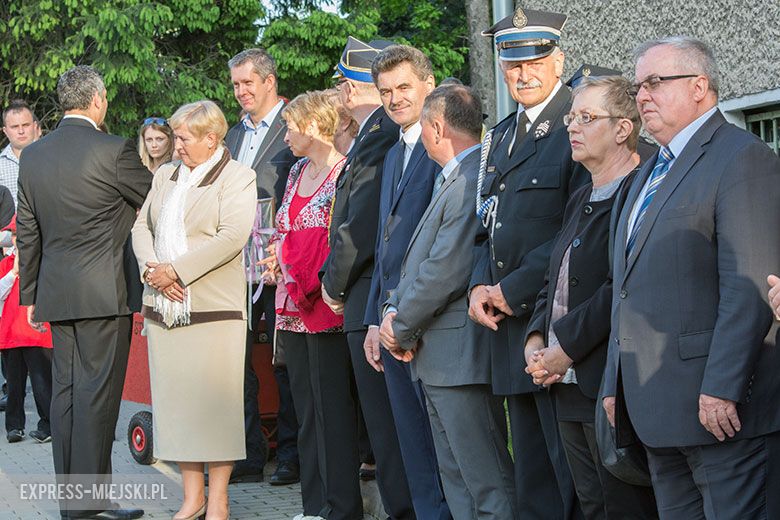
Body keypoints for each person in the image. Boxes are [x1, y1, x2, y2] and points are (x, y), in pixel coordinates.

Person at [602, 36, 780, 519]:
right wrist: (615, 384)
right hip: (655, 411)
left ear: (700, 86)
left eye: (655, 83)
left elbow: (749, 286)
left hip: (720, 413)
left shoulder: (741, 157)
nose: (641, 96)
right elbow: (627, 288)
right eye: (639, 86)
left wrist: (722, 385)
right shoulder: (646, 173)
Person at [17, 65, 149, 520]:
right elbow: (150, 201)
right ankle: (87, 504)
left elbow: (28, 232)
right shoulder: (115, 150)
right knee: (97, 396)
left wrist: (29, 294)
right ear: (97, 100)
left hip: (56, 293)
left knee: (66, 394)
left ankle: (76, 501)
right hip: (104, 292)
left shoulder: (32, 156)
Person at [380, 84, 517, 520]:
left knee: (486, 484)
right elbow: (418, 263)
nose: (420, 135)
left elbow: (445, 268)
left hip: (459, 357)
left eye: (422, 126)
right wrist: (393, 312)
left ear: (437, 127)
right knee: (458, 483)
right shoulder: (456, 176)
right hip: (438, 355)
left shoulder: (470, 180)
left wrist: (399, 326)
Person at [524, 76, 658, 519]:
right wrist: (536, 338)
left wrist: (566, 348)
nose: (573, 127)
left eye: (587, 117)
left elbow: (620, 285)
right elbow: (554, 275)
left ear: (623, 129)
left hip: (607, 379)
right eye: (570, 117)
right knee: (588, 504)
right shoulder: (581, 194)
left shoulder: (639, 190)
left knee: (624, 505)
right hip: (563, 381)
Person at [471, 9, 587, 519]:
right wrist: (479, 285)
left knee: (571, 477)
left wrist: (510, 289)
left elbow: (575, 228)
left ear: (559, 59)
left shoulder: (577, 126)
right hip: (505, 327)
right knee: (534, 475)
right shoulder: (500, 136)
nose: (523, 73)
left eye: (535, 60)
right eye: (512, 62)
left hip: (553, 323)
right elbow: (485, 224)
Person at [132, 99, 256, 520]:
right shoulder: (165, 174)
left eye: (183, 137)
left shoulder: (238, 176)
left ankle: (218, 499)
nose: (175, 144)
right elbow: (140, 226)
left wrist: (176, 271)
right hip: (164, 307)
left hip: (213, 310)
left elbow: (232, 235)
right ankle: (193, 497)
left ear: (211, 138)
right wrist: (155, 271)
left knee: (214, 408)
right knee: (178, 406)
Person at [321, 36, 415, 520]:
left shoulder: (380, 133)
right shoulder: (377, 133)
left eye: (344, 83)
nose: (339, 93)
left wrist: (332, 284)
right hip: (369, 298)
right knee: (387, 431)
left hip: (371, 297)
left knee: (392, 432)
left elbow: (358, 226)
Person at [261, 90, 360, 520]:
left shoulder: (342, 172)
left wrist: (296, 269)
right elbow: (286, 231)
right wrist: (275, 259)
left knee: (332, 411)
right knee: (305, 409)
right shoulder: (299, 168)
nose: (285, 135)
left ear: (315, 124)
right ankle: (313, 505)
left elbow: (333, 241)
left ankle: (340, 507)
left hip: (324, 307)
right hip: (291, 307)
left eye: (290, 126)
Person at [364, 44, 451, 520]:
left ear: (428, 85)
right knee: (412, 447)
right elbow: (386, 245)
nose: (395, 99)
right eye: (385, 92)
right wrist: (377, 318)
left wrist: (408, 318)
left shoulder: (448, 148)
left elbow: (445, 246)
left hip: (428, 324)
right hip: (392, 323)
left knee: (445, 452)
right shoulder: (395, 151)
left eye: (403, 87)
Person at [225, 48, 300, 486]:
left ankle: (290, 455)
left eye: (247, 83)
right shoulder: (233, 134)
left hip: (281, 265)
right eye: (236, 84)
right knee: (236, 361)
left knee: (283, 363)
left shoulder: (297, 125)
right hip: (237, 264)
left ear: (269, 80)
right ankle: (249, 454)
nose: (241, 92)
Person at [0, 215, 53, 444]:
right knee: (14, 387)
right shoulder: (4, 265)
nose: (16, 239)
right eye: (14, 235)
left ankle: (48, 426)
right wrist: (13, 272)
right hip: (11, 335)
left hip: (37, 334)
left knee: (43, 385)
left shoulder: (43, 262)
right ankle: (14, 427)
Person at [1, 99, 40, 205]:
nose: (21, 131)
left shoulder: (51, 158)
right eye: (14, 127)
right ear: (5, 131)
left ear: (34, 126)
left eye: (26, 125)